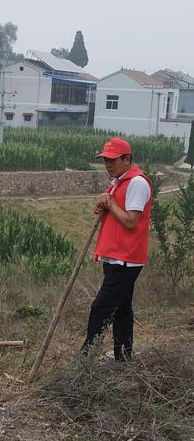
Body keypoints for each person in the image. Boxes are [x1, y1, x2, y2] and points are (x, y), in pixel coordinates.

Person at [82, 138, 152, 361]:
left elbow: (131, 221)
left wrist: (110, 203)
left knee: (100, 308)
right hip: (115, 257)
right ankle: (123, 356)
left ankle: (86, 359)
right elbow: (114, 210)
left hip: (126, 259)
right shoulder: (119, 182)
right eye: (105, 161)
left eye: (113, 161)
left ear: (127, 159)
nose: (108, 166)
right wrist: (106, 201)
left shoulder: (137, 183)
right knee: (121, 309)